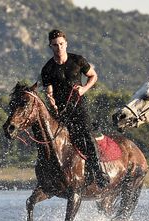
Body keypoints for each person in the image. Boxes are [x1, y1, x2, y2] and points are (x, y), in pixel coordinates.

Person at [41, 29, 109, 188]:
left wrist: (84, 89)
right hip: (61, 111)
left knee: (85, 134)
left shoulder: (78, 60)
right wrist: (51, 101)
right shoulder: (47, 69)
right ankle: (56, 174)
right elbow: (49, 91)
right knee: (56, 139)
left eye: (61, 44)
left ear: (66, 44)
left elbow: (93, 75)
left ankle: (97, 171)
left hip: (79, 106)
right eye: (55, 45)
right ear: (50, 46)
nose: (59, 48)